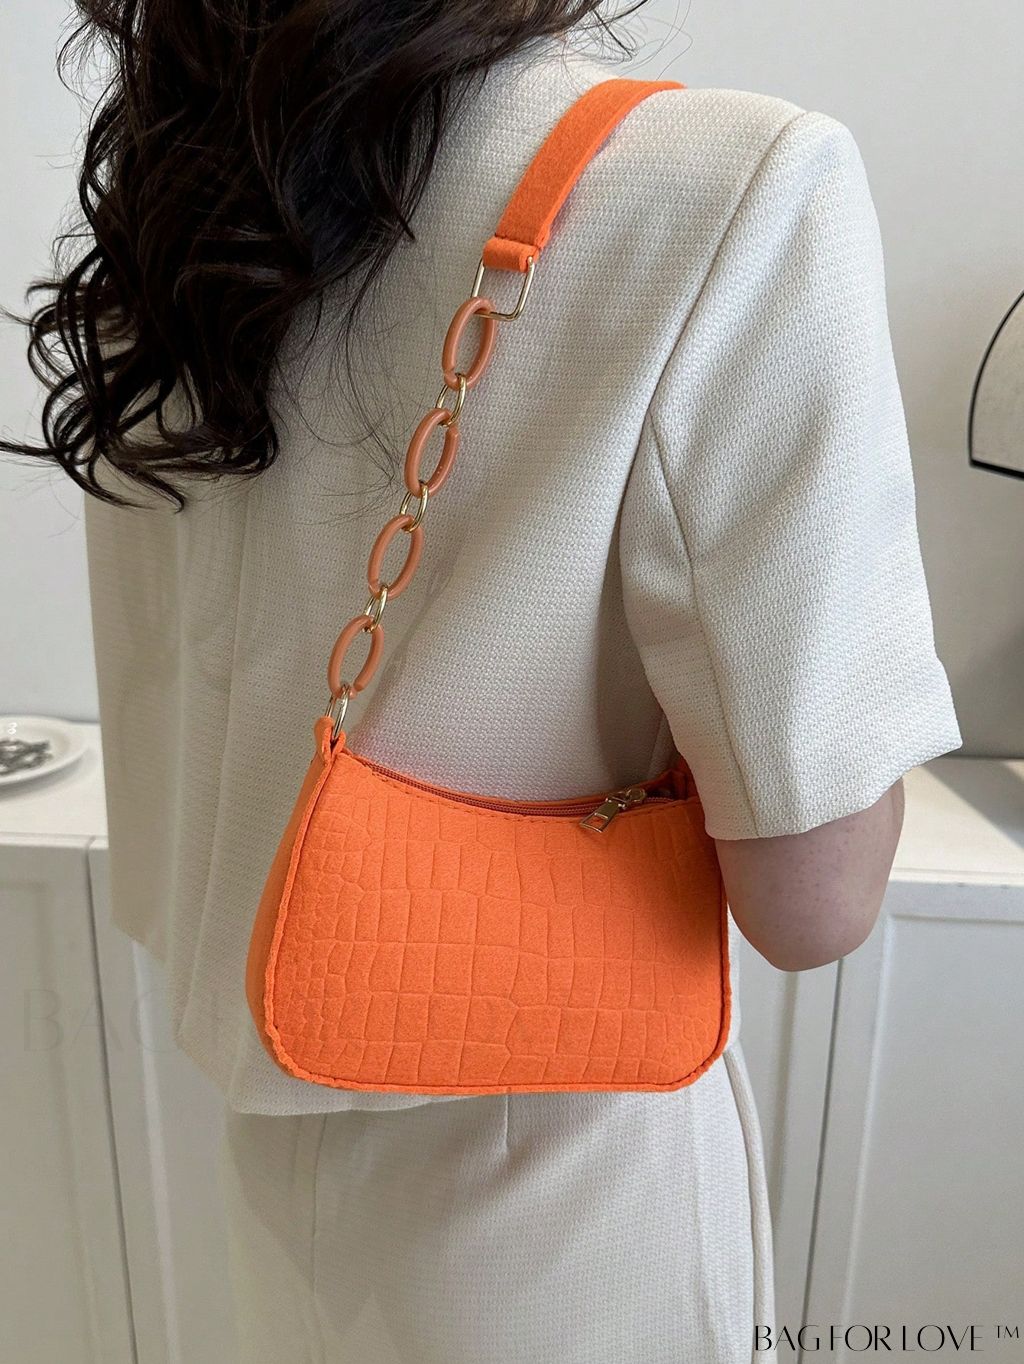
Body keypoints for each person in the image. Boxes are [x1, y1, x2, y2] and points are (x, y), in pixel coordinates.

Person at [4, 4, 962, 1360]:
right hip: (562, 1181)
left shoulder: (182, 206)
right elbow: (815, 900)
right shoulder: (727, 185)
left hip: (269, 1172)